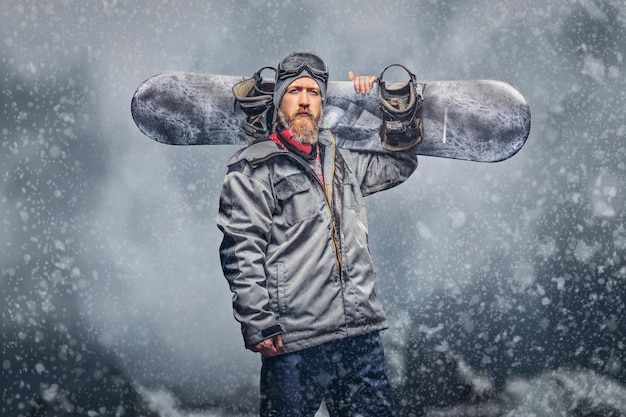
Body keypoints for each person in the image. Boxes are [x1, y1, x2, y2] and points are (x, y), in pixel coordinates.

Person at [217, 52, 418, 417]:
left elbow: (401, 163)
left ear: (323, 103)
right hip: (294, 340)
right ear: (280, 101)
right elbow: (239, 251)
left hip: (359, 334)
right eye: (295, 91)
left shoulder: (340, 159)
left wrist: (374, 105)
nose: (305, 100)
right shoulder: (253, 169)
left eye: (313, 92)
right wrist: (257, 323)